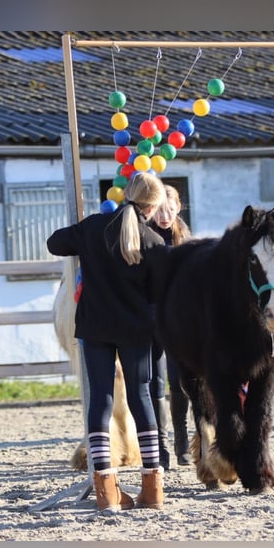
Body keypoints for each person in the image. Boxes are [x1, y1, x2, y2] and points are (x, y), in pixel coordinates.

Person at [46, 172, 167, 512]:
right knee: (143, 399)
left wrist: (82, 235)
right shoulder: (154, 243)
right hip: (136, 331)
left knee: (99, 400)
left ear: (127, 195)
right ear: (153, 206)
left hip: (95, 329)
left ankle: (106, 491)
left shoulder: (94, 227)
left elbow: (55, 243)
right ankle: (152, 488)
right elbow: (159, 293)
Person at [148, 184, 193, 468]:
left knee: (180, 382)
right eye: (160, 209)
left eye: (170, 208)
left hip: (178, 319)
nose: (165, 215)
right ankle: (160, 447)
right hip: (151, 317)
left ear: (178, 207)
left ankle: (182, 442)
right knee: (155, 383)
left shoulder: (185, 239)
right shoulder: (144, 236)